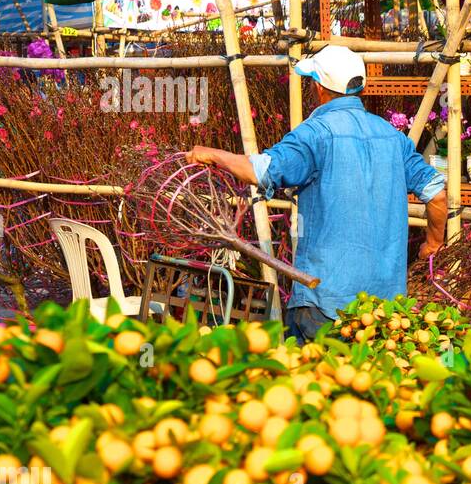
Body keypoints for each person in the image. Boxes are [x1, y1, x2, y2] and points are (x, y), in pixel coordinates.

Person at [187, 45, 448, 342]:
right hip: (386, 310)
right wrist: (433, 243)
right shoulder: (392, 136)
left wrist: (212, 154)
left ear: (319, 88)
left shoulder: (315, 133)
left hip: (326, 303)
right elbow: (436, 194)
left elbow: (261, 171)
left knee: (314, 379)